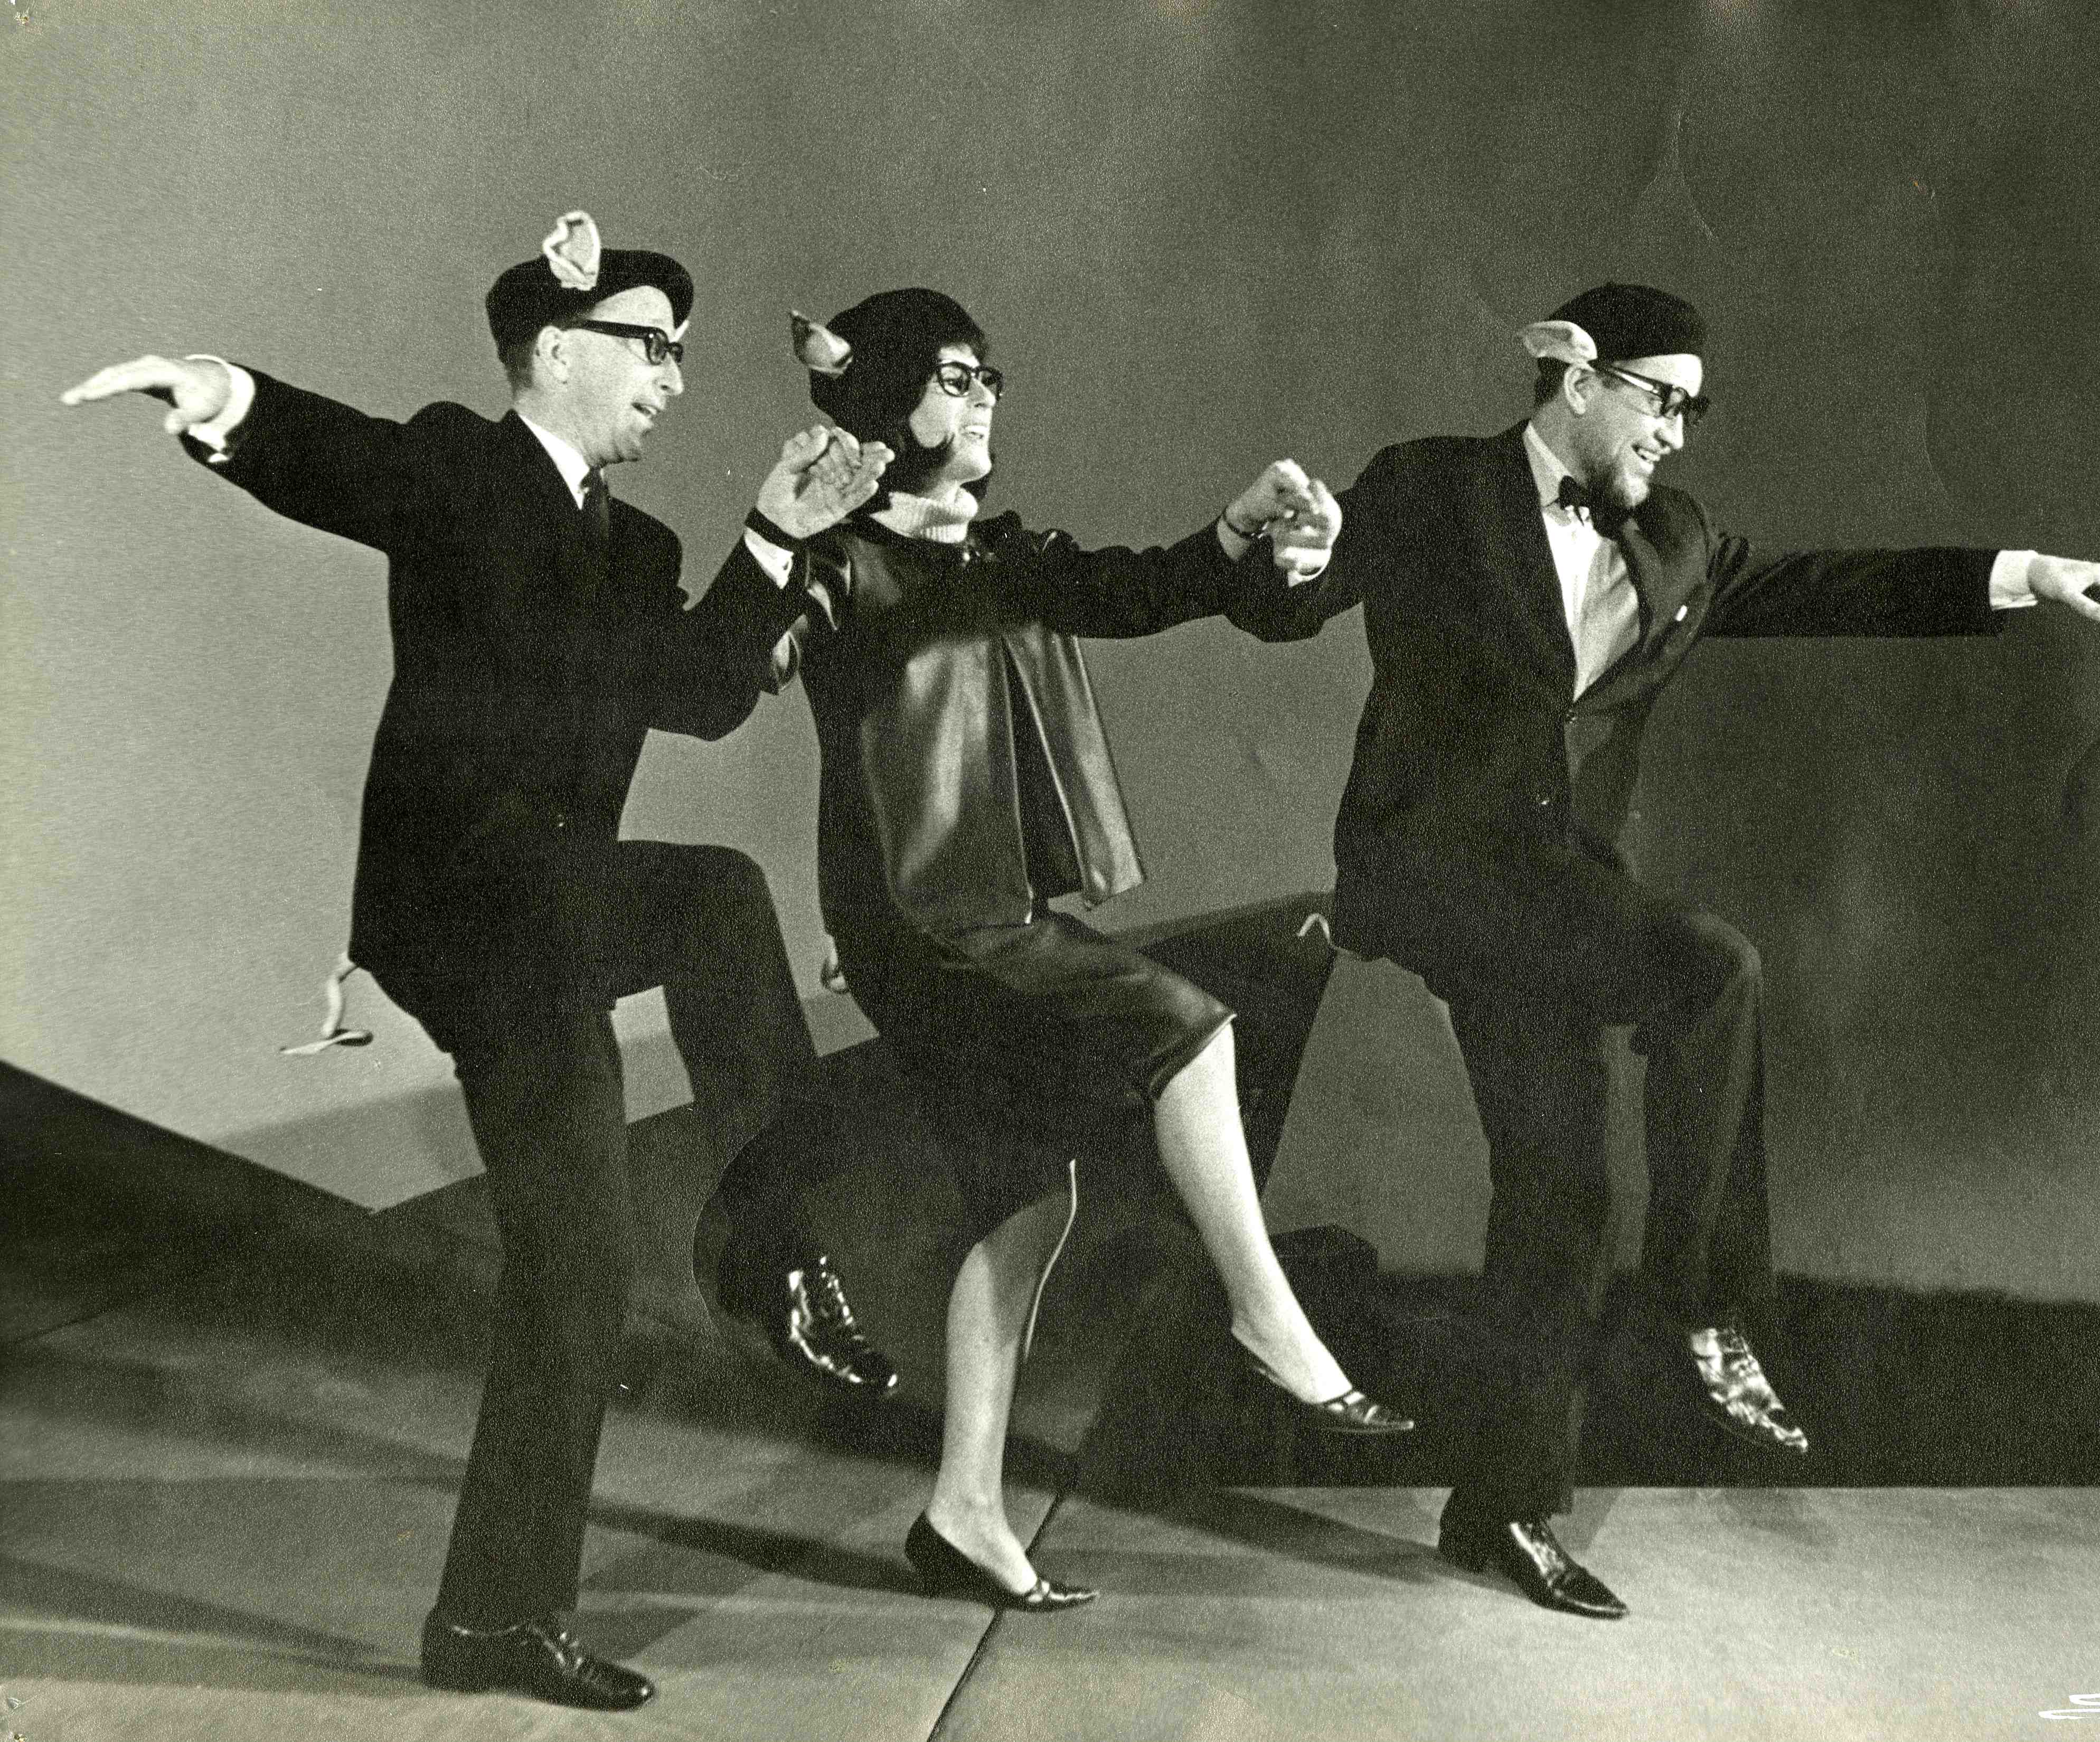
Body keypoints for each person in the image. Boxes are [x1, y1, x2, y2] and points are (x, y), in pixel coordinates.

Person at [59, 213, 901, 1710]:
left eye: (684, 356)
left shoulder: (642, 548)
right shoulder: (462, 468)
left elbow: (702, 693)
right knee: (716, 896)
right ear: (556, 350)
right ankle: (771, 1250)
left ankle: (492, 1622)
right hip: (465, 899)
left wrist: (775, 535)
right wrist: (220, 395)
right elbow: (344, 461)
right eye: (652, 348)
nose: (676, 380)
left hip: (549, 938)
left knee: (576, 1270)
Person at [1232, 283, 2100, 1620]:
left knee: (1559, 1194)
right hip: (1441, 879)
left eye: (1692, 410)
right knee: (1712, 965)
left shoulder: (1674, 537)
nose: (1677, 432)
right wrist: (1299, 556)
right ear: (1576, 378)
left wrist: (2028, 573)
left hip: (1559, 902)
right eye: (1661, 401)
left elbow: (1828, 586)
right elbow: (1299, 602)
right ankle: (1700, 1308)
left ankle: (1500, 1509)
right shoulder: (1431, 488)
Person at [730, 286, 1407, 1612]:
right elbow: (739, 663)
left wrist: (1234, 532)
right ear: (892, 403)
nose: (986, 397)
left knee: (1030, 1197)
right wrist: (780, 542)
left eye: (991, 376)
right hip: (920, 924)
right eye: (957, 376)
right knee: (1189, 1027)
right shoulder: (839, 565)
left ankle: (964, 1513)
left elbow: (1137, 589)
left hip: (994, 920)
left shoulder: (1002, 555)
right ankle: (1267, 1318)